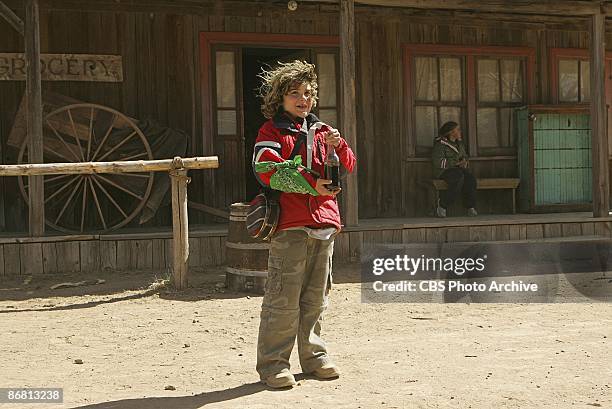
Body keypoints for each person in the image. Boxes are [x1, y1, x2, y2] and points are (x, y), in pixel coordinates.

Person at [252, 60, 356, 388]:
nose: (303, 99)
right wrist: (311, 185)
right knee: (283, 297)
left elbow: (349, 165)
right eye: (294, 93)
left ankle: (314, 357)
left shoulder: (323, 131)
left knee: (316, 298)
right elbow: (265, 169)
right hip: (291, 225)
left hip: (325, 224)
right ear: (279, 98)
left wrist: (338, 145)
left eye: (308, 93)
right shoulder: (270, 132)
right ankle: (273, 365)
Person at [431, 121, 477, 218]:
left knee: (470, 178)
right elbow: (438, 162)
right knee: (458, 177)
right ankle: (443, 205)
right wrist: (455, 163)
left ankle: (470, 207)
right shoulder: (440, 144)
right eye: (458, 130)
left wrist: (464, 162)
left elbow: (464, 156)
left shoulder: (459, 144)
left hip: (458, 169)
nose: (460, 132)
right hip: (444, 171)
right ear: (451, 132)